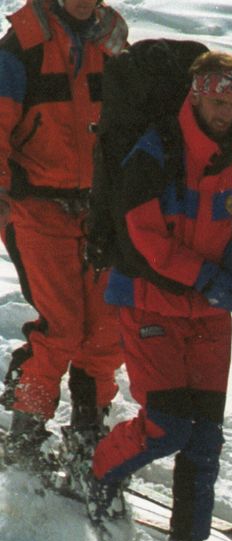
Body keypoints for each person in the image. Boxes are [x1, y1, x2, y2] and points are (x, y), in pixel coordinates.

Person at [86, 50, 232, 541]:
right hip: (151, 302)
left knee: (205, 437)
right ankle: (99, 472)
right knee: (168, 426)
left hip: (208, 309)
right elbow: (143, 234)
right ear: (197, 94)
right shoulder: (157, 149)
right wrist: (204, 276)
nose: (225, 113)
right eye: (217, 102)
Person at [0, 0, 128, 476]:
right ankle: (26, 436)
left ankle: (88, 435)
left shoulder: (110, 42)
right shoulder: (21, 46)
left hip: (97, 208)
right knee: (62, 328)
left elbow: (131, 121)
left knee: (107, 329)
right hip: (34, 206)